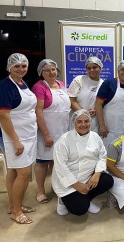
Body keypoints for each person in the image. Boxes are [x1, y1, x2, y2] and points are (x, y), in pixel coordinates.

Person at [0, 53, 37, 224]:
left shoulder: (22, 83)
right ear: (9, 67)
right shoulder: (4, 87)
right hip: (13, 136)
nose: (21, 69)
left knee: (14, 170)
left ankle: (13, 204)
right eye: (16, 66)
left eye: (24, 66)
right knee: (24, 173)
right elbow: (3, 115)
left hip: (26, 134)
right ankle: (16, 212)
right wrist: (16, 141)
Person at [52, 109, 113, 216]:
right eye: (79, 121)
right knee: (80, 210)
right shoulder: (64, 141)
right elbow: (60, 167)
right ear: (73, 123)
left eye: (86, 121)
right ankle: (62, 200)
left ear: (90, 122)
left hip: (87, 178)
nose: (83, 125)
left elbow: (102, 156)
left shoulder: (95, 137)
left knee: (108, 180)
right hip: (68, 183)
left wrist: (97, 174)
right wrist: (76, 185)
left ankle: (85, 198)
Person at [31, 59, 70, 204]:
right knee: (42, 161)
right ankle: (40, 191)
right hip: (46, 131)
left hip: (62, 130)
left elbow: (67, 106)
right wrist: (46, 134)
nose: (51, 72)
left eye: (53, 69)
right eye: (47, 70)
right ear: (41, 72)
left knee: (57, 160)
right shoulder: (39, 87)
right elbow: (38, 112)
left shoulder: (61, 84)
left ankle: (56, 186)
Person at [95, 60, 124, 147]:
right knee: (109, 155)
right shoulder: (108, 84)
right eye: (122, 69)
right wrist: (102, 125)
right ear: (118, 71)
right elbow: (98, 104)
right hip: (110, 130)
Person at [67, 56, 104, 133]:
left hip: (94, 121)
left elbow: (103, 104)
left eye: (95, 67)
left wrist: (96, 111)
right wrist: (84, 113)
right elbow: (72, 101)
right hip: (77, 119)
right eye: (89, 68)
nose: (92, 70)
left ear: (100, 67)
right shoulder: (79, 80)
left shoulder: (103, 84)